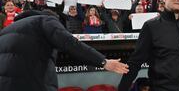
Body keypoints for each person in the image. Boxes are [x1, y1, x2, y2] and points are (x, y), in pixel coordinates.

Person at [0, 9, 129, 91]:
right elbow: (70, 43)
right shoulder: (46, 20)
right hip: (33, 84)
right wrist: (104, 62)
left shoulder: (5, 31)